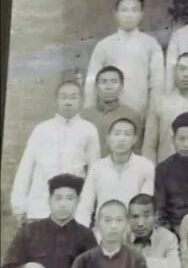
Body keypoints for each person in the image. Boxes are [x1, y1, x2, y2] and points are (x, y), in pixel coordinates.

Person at [10, 81, 99, 223]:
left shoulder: (89, 130)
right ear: (56, 100)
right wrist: (19, 204)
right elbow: (26, 166)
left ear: (81, 101)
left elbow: (94, 171)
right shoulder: (42, 129)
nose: (68, 102)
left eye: (73, 97)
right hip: (40, 206)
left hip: (73, 208)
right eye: (63, 97)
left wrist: (86, 209)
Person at [83, 0, 164, 116]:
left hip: (140, 110)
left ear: (141, 15)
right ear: (116, 14)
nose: (129, 15)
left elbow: (157, 83)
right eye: (124, 10)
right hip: (108, 112)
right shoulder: (104, 45)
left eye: (134, 10)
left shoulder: (151, 44)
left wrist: (153, 114)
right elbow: (91, 81)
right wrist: (90, 111)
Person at [75, 118, 155, 228]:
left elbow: (145, 205)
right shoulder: (97, 167)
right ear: (108, 138)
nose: (121, 139)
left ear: (135, 139)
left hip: (132, 230)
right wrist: (82, 232)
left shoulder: (145, 165)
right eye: (117, 134)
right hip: (102, 230)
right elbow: (85, 206)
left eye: (127, 134)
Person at [126, 193, 180, 268]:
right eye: (135, 217)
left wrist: (141, 262)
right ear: (128, 218)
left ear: (156, 216)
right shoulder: (122, 237)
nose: (140, 223)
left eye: (146, 216)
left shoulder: (168, 237)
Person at [82, 66, 144, 156]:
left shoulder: (132, 115)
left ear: (121, 86)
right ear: (96, 87)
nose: (108, 87)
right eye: (104, 82)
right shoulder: (85, 115)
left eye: (114, 82)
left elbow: (137, 149)